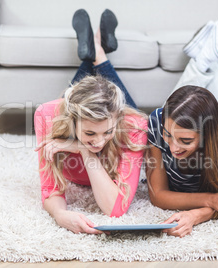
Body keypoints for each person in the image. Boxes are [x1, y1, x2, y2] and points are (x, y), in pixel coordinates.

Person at [34, 9, 147, 234]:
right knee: (84, 94)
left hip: (121, 117)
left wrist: (83, 149)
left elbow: (116, 209)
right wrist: (60, 214)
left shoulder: (132, 125)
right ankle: (98, 53)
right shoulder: (47, 115)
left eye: (107, 132)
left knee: (117, 102)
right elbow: (50, 188)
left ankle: (94, 53)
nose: (99, 142)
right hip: (71, 112)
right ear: (72, 122)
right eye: (89, 134)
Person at [146, 21, 218, 238]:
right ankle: (205, 59)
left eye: (185, 140)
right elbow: (157, 195)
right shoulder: (158, 121)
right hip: (183, 118)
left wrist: (194, 216)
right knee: (180, 107)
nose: (173, 147)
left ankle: (205, 59)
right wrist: (210, 200)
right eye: (168, 136)